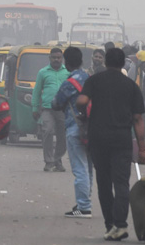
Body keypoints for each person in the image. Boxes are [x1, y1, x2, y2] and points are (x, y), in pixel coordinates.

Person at [76, 48, 145, 241]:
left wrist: (82, 110)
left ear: (106, 62)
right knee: (122, 183)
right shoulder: (131, 86)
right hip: (121, 140)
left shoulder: (94, 80)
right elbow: (138, 119)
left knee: (104, 183)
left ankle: (110, 225)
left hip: (99, 140)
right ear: (123, 63)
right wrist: (142, 149)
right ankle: (121, 225)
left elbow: (82, 100)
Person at [52, 47, 93, 219]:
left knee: (79, 168)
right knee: (89, 167)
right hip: (91, 127)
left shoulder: (69, 83)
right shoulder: (89, 79)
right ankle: (85, 201)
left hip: (75, 126)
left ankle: (83, 207)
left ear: (66, 62)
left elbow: (56, 103)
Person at [32, 47, 70, 172]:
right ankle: (48, 161)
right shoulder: (43, 72)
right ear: (50, 58)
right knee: (47, 131)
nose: (56, 60)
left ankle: (57, 160)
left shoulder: (68, 72)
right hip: (47, 108)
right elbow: (37, 91)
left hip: (63, 109)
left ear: (62, 58)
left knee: (63, 136)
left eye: (59, 57)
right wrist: (35, 107)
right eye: (54, 57)